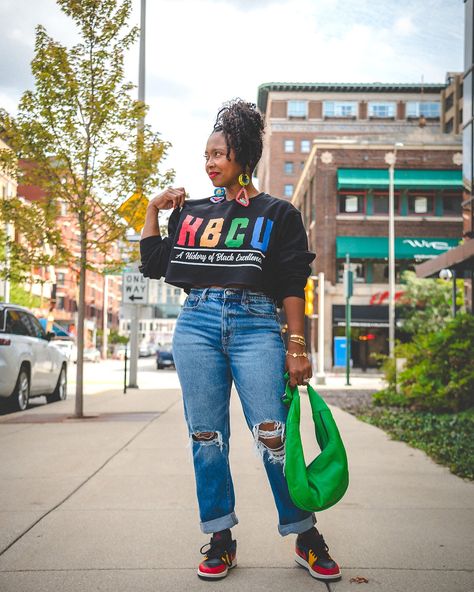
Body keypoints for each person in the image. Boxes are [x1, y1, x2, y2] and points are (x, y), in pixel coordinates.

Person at [139, 99, 341, 582]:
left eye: (219, 153)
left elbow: (294, 281)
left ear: (243, 156)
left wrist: (296, 345)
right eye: (206, 154)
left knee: (272, 434)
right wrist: (152, 208)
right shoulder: (189, 212)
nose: (209, 163)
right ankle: (220, 536)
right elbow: (153, 262)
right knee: (206, 435)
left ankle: (304, 532)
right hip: (197, 324)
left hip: (255, 325)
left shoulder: (278, 214)